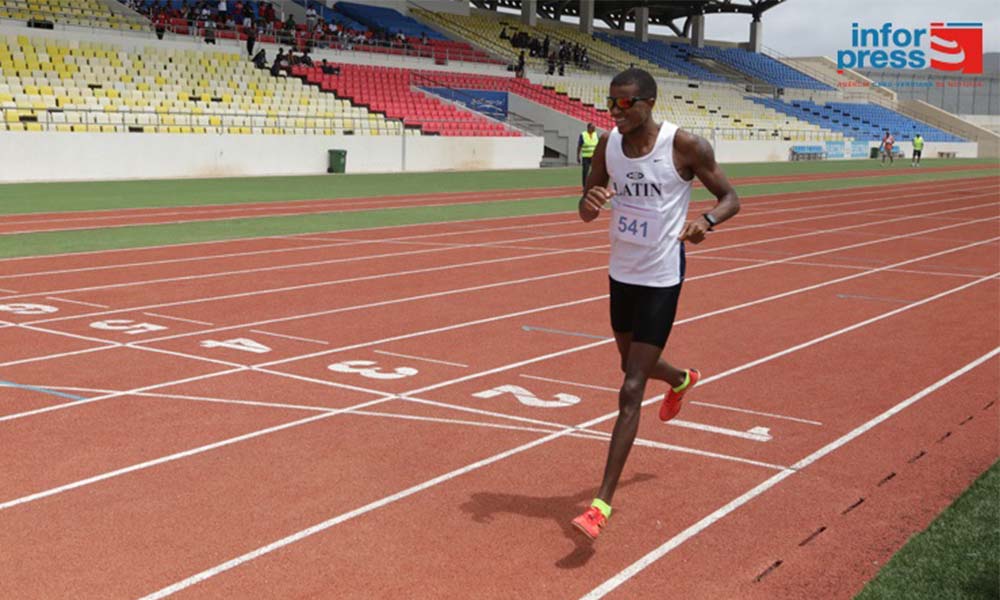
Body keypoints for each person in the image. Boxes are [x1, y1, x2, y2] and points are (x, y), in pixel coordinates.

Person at [572, 68, 739, 540]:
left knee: (630, 386)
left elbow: (731, 197)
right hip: (621, 272)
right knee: (629, 360)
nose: (615, 112)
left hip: (662, 275)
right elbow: (584, 209)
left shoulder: (684, 146)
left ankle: (600, 504)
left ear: (648, 102)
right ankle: (683, 379)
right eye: (610, 104)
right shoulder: (607, 145)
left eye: (625, 105)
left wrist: (706, 220)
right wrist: (592, 200)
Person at [577, 122, 598, 189]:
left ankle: (593, 185)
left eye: (594, 127)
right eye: (593, 127)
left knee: (595, 172)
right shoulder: (583, 135)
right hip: (586, 157)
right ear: (588, 128)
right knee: (585, 172)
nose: (594, 129)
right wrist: (578, 156)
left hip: (594, 157)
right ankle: (585, 186)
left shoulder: (595, 134)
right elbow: (579, 146)